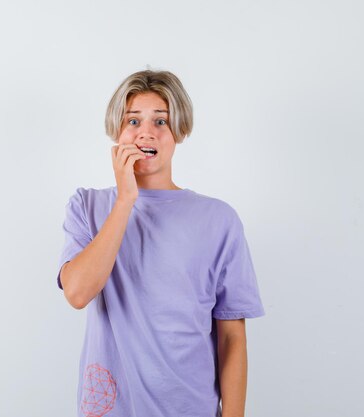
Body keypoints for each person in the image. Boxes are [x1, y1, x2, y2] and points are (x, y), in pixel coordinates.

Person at [56, 69, 265, 417]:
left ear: (179, 131)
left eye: (161, 121)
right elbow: (77, 293)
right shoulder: (87, 207)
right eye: (133, 120)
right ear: (117, 132)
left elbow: (232, 338)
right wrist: (125, 200)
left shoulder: (219, 220)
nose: (146, 132)